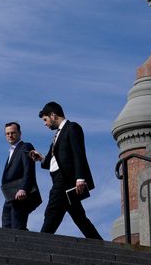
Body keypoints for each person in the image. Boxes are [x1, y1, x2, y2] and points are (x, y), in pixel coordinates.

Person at [29, 101, 102, 239]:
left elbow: (78, 153)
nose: (45, 124)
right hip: (60, 179)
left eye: (45, 120)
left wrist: (80, 178)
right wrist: (41, 158)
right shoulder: (57, 135)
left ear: (53, 115)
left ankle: (40, 243)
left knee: (51, 211)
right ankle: (99, 243)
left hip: (64, 180)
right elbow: (54, 159)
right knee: (79, 217)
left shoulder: (72, 128)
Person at [0, 122, 41, 230]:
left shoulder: (26, 146)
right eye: (7, 133)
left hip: (21, 194)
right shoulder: (11, 151)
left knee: (18, 226)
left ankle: (26, 246)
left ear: (20, 133)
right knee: (6, 225)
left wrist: (23, 189)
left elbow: (29, 169)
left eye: (13, 132)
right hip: (10, 196)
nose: (10, 135)